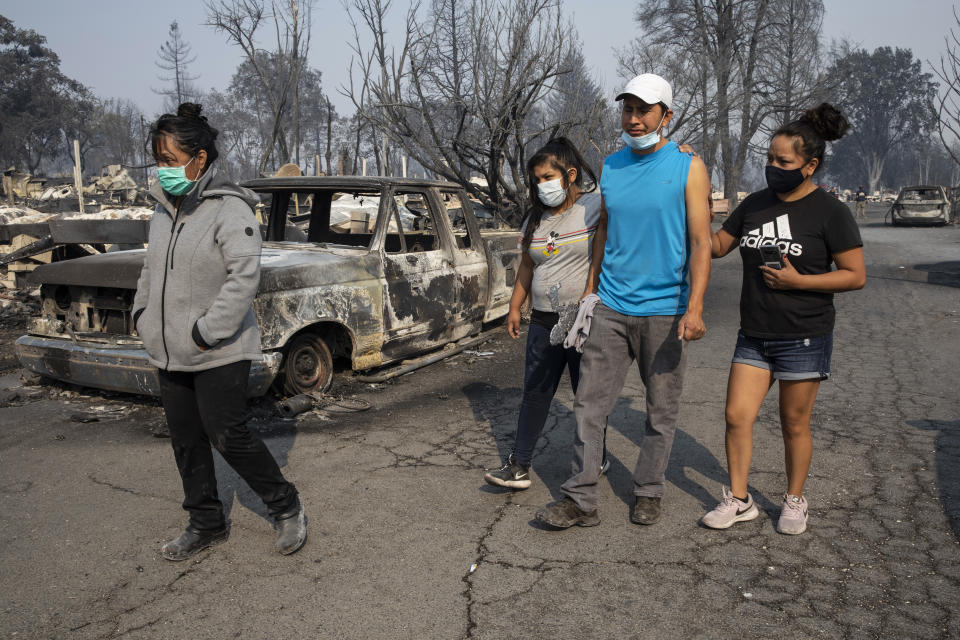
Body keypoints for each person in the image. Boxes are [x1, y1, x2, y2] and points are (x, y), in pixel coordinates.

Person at [535, 73, 712, 528]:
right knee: (589, 407)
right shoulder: (611, 166)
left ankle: (649, 490)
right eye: (628, 109)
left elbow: (699, 240)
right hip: (612, 305)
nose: (633, 119)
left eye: (644, 110)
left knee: (660, 409)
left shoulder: (688, 166)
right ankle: (580, 498)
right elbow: (606, 232)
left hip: (666, 310)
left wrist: (694, 307)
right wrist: (593, 288)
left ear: (666, 116)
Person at [133, 103, 307, 560]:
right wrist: (143, 315)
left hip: (219, 346)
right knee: (185, 439)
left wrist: (207, 331)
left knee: (228, 434)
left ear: (200, 159)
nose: (164, 171)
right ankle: (205, 521)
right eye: (160, 162)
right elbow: (151, 271)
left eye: (171, 161)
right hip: (167, 349)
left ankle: (285, 506)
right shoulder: (162, 208)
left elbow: (243, 276)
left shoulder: (230, 207)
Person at [701, 103, 865, 535]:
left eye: (783, 161)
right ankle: (739, 499)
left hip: (804, 335)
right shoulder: (755, 204)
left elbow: (855, 276)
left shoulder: (831, 213)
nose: (773, 167)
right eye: (769, 159)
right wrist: (694, 207)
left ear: (809, 166)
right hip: (754, 334)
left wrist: (799, 282)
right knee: (737, 416)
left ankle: (794, 500)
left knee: (794, 423)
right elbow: (718, 247)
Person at [483, 137, 610, 490]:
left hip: (584, 319)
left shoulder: (595, 206)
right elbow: (526, 266)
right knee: (536, 392)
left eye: (548, 177)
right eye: (536, 180)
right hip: (542, 320)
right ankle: (520, 464)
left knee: (587, 395)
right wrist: (513, 307)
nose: (542, 185)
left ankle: (596, 457)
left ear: (570, 175)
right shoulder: (534, 220)